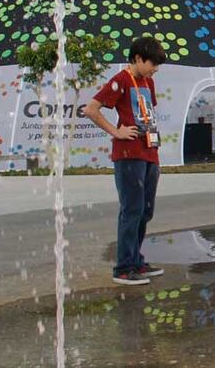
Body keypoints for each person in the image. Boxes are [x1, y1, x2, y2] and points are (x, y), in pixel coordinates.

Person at [83, 36, 167, 286]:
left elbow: (146, 111)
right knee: (131, 209)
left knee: (146, 209)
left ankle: (136, 260)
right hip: (129, 154)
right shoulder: (120, 80)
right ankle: (123, 266)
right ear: (138, 58)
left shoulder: (148, 82)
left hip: (150, 151)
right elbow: (91, 109)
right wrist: (116, 131)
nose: (155, 69)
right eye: (152, 63)